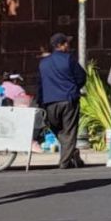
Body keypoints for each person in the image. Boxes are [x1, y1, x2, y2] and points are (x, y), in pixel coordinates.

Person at [38, 33, 87, 169]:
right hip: (67, 99)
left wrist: (40, 100)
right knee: (69, 131)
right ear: (60, 45)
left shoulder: (43, 63)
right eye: (66, 43)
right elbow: (81, 77)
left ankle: (71, 153)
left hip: (50, 102)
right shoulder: (69, 59)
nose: (68, 46)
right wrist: (74, 88)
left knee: (57, 128)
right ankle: (65, 161)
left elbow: (40, 84)